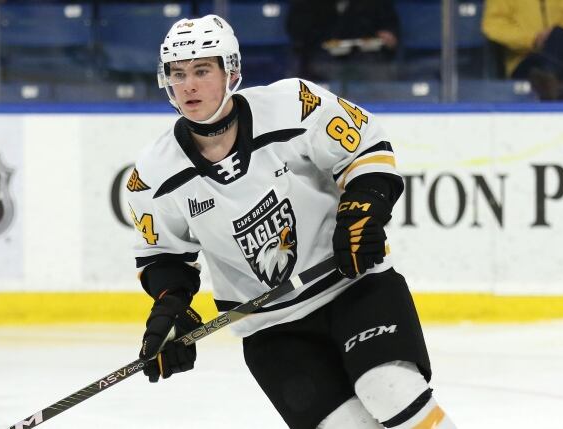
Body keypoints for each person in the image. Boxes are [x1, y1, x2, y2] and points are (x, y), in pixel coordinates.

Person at [125, 14, 457, 429]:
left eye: (201, 70)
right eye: (177, 73)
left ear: (232, 72)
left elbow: (366, 149)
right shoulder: (152, 174)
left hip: (353, 287)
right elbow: (163, 256)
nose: (188, 84)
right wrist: (170, 308)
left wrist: (363, 207)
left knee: (388, 386)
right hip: (271, 330)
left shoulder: (293, 104)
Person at [482, 0, 563, 100]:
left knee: (558, 35)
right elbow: (492, 26)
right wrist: (533, 39)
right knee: (552, 47)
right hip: (527, 59)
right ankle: (556, 86)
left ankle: (552, 85)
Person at [286, 0, 400, 81]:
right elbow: (298, 32)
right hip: (321, 57)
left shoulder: (375, 3)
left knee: (378, 72)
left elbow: (390, 28)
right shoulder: (307, 3)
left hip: (367, 57)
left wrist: (388, 36)